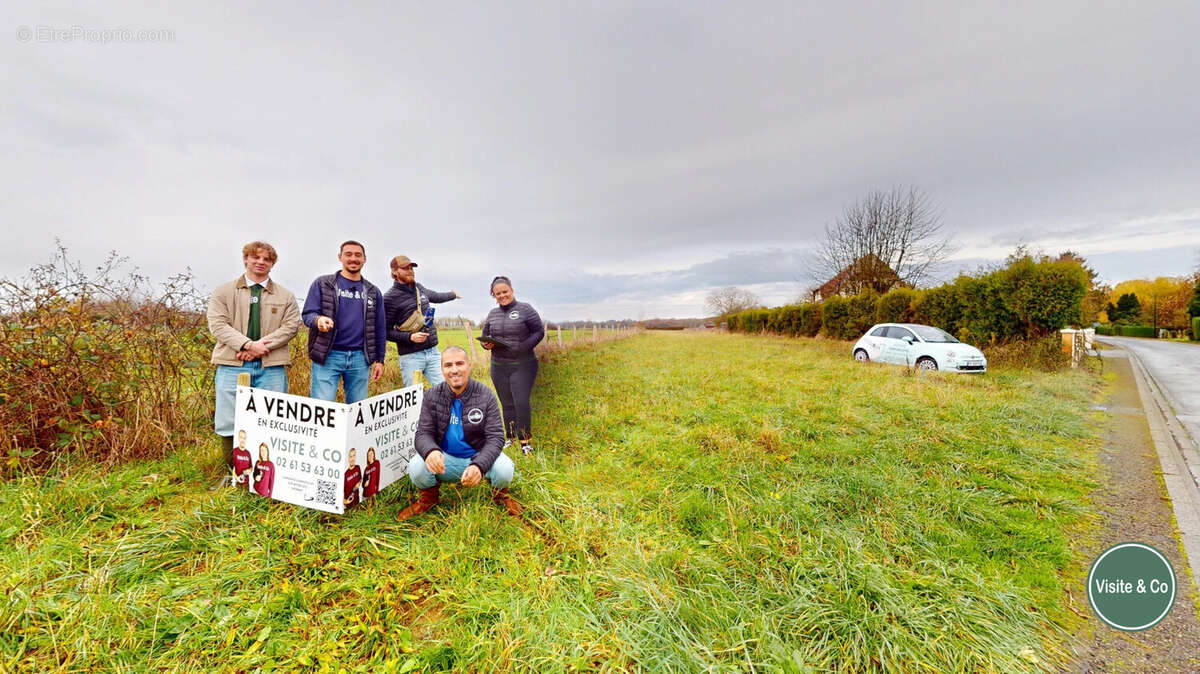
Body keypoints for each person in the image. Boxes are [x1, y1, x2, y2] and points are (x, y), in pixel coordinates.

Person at [206, 241, 300, 482]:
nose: (260, 262)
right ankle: (234, 473)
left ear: (272, 264)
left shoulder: (285, 296)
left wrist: (259, 348)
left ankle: (268, 475)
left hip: (271, 366)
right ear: (245, 260)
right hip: (232, 364)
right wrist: (247, 345)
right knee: (228, 419)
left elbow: (290, 327)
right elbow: (218, 324)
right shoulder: (224, 292)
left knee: (272, 418)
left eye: (266, 259)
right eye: (255, 257)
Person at [396, 346, 521, 520]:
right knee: (416, 467)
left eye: (459, 364)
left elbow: (496, 438)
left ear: (469, 366)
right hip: (446, 461)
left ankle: (501, 497)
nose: (454, 370)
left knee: (504, 469)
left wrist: (479, 465)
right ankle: (428, 499)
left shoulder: (486, 395)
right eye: (448, 365)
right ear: (442, 369)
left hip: (477, 458)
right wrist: (431, 451)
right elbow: (423, 433)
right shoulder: (432, 395)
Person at [301, 241, 387, 403]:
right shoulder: (323, 284)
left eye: (357, 255)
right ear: (340, 257)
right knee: (322, 408)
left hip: (360, 359)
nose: (353, 258)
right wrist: (318, 320)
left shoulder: (373, 292)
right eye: (348, 254)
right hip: (328, 356)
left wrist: (380, 360)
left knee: (357, 410)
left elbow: (380, 328)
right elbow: (307, 314)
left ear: (364, 259)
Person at [480, 276, 544, 455]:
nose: (502, 296)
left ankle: (525, 442)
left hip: (522, 364)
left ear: (512, 291)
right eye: (498, 293)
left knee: (521, 402)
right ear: (494, 295)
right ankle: (511, 438)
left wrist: (522, 347)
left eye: (505, 292)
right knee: (506, 403)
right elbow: (485, 335)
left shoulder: (525, 309)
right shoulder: (492, 314)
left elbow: (539, 331)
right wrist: (485, 344)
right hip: (498, 365)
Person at [383, 254, 461, 388]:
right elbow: (386, 332)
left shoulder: (419, 288)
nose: (410, 271)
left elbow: (436, 296)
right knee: (414, 399)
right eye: (405, 268)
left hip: (433, 352)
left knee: (446, 391)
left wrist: (452, 295)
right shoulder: (389, 298)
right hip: (411, 357)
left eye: (411, 268)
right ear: (394, 272)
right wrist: (410, 337)